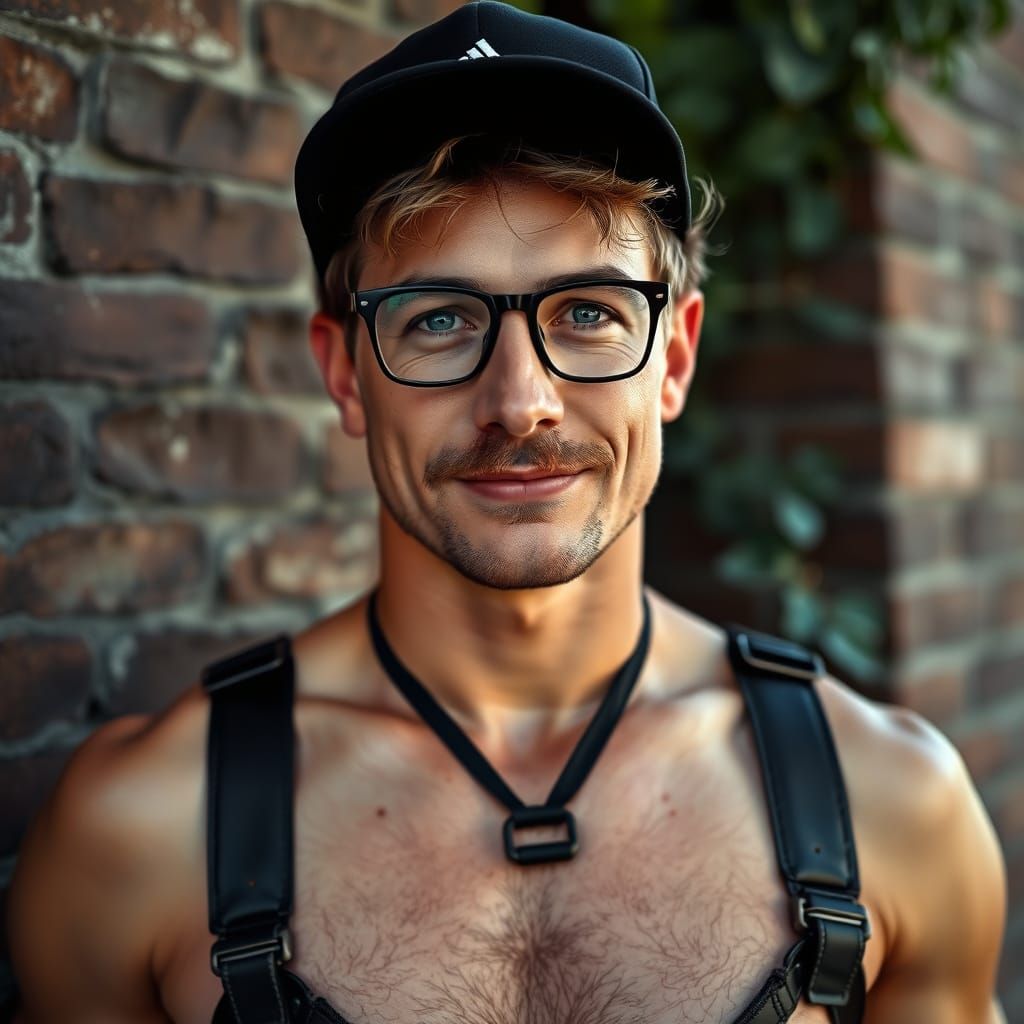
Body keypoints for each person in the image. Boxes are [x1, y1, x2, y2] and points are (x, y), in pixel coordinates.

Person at [7, 3, 1008, 1023]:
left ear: (672, 357)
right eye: (438, 318)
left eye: (586, 312)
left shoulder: (892, 804)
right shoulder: (138, 833)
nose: (520, 401)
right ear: (345, 372)